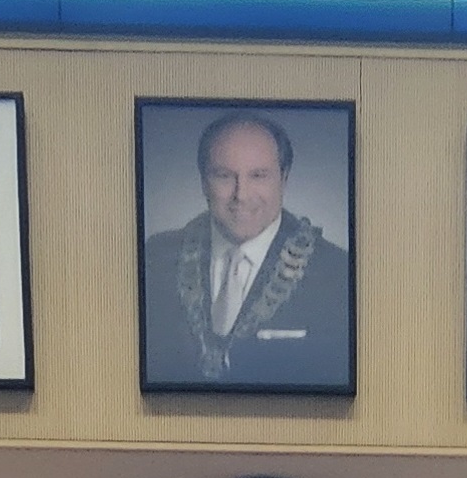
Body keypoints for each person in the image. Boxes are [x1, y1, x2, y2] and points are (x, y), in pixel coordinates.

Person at [140, 111, 352, 389]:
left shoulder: (336, 272)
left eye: (258, 175)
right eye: (224, 175)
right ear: (204, 181)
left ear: (283, 178)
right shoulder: (155, 259)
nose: (241, 194)